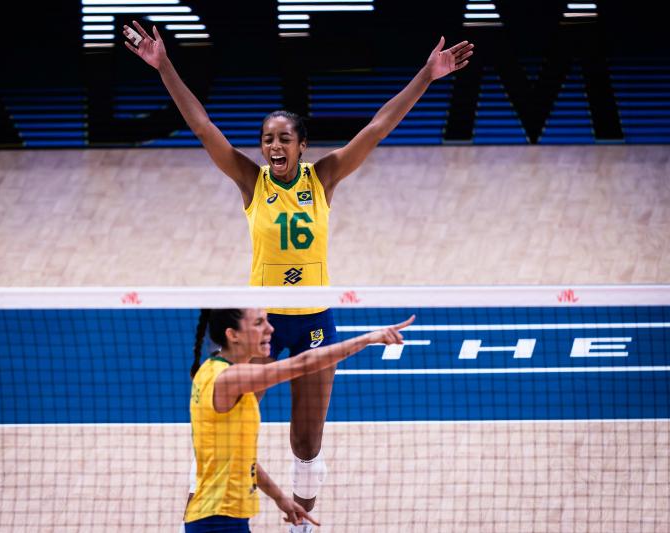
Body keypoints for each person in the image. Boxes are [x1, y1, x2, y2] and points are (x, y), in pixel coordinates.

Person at [124, 22, 473, 531]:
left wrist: (426, 75)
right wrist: (164, 67)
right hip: (262, 327)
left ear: (302, 145)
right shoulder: (250, 182)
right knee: (229, 426)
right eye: (267, 139)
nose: (273, 146)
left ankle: (300, 522)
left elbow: (377, 127)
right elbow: (202, 126)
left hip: (313, 320)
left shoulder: (323, 176)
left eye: (283, 138)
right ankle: (203, 491)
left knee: (305, 442)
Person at [185, 308, 414, 532]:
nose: (270, 329)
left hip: (217, 515)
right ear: (232, 335)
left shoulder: (208, 371)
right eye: (258, 323)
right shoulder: (231, 380)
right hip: (219, 519)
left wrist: (280, 498)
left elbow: (241, 459)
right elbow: (302, 364)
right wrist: (368, 339)